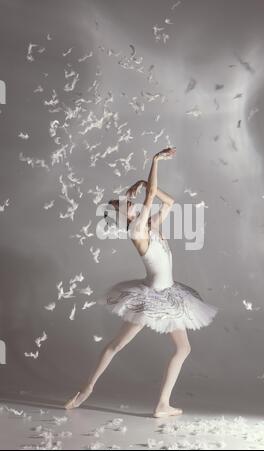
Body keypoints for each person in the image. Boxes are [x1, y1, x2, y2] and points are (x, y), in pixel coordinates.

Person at [64, 147, 218, 417]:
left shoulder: (150, 227)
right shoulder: (137, 231)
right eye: (125, 204)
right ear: (125, 217)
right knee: (116, 345)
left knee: (183, 348)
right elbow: (149, 200)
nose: (129, 202)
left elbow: (168, 202)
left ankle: (162, 404)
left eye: (127, 201)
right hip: (153, 299)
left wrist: (148, 183)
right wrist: (154, 162)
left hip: (169, 294)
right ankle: (86, 389)